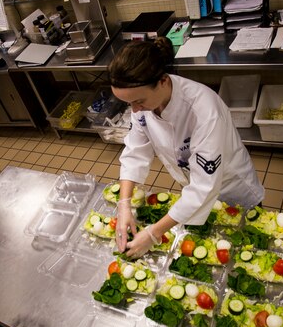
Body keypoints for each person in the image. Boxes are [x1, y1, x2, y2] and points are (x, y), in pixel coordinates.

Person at [109, 37, 265, 258]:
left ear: (162, 81)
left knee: (245, 249)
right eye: (129, 104)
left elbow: (204, 186)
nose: (134, 111)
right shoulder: (144, 104)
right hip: (194, 189)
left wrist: (154, 234)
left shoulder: (204, 111)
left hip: (231, 190)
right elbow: (135, 151)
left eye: (139, 102)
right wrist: (124, 203)